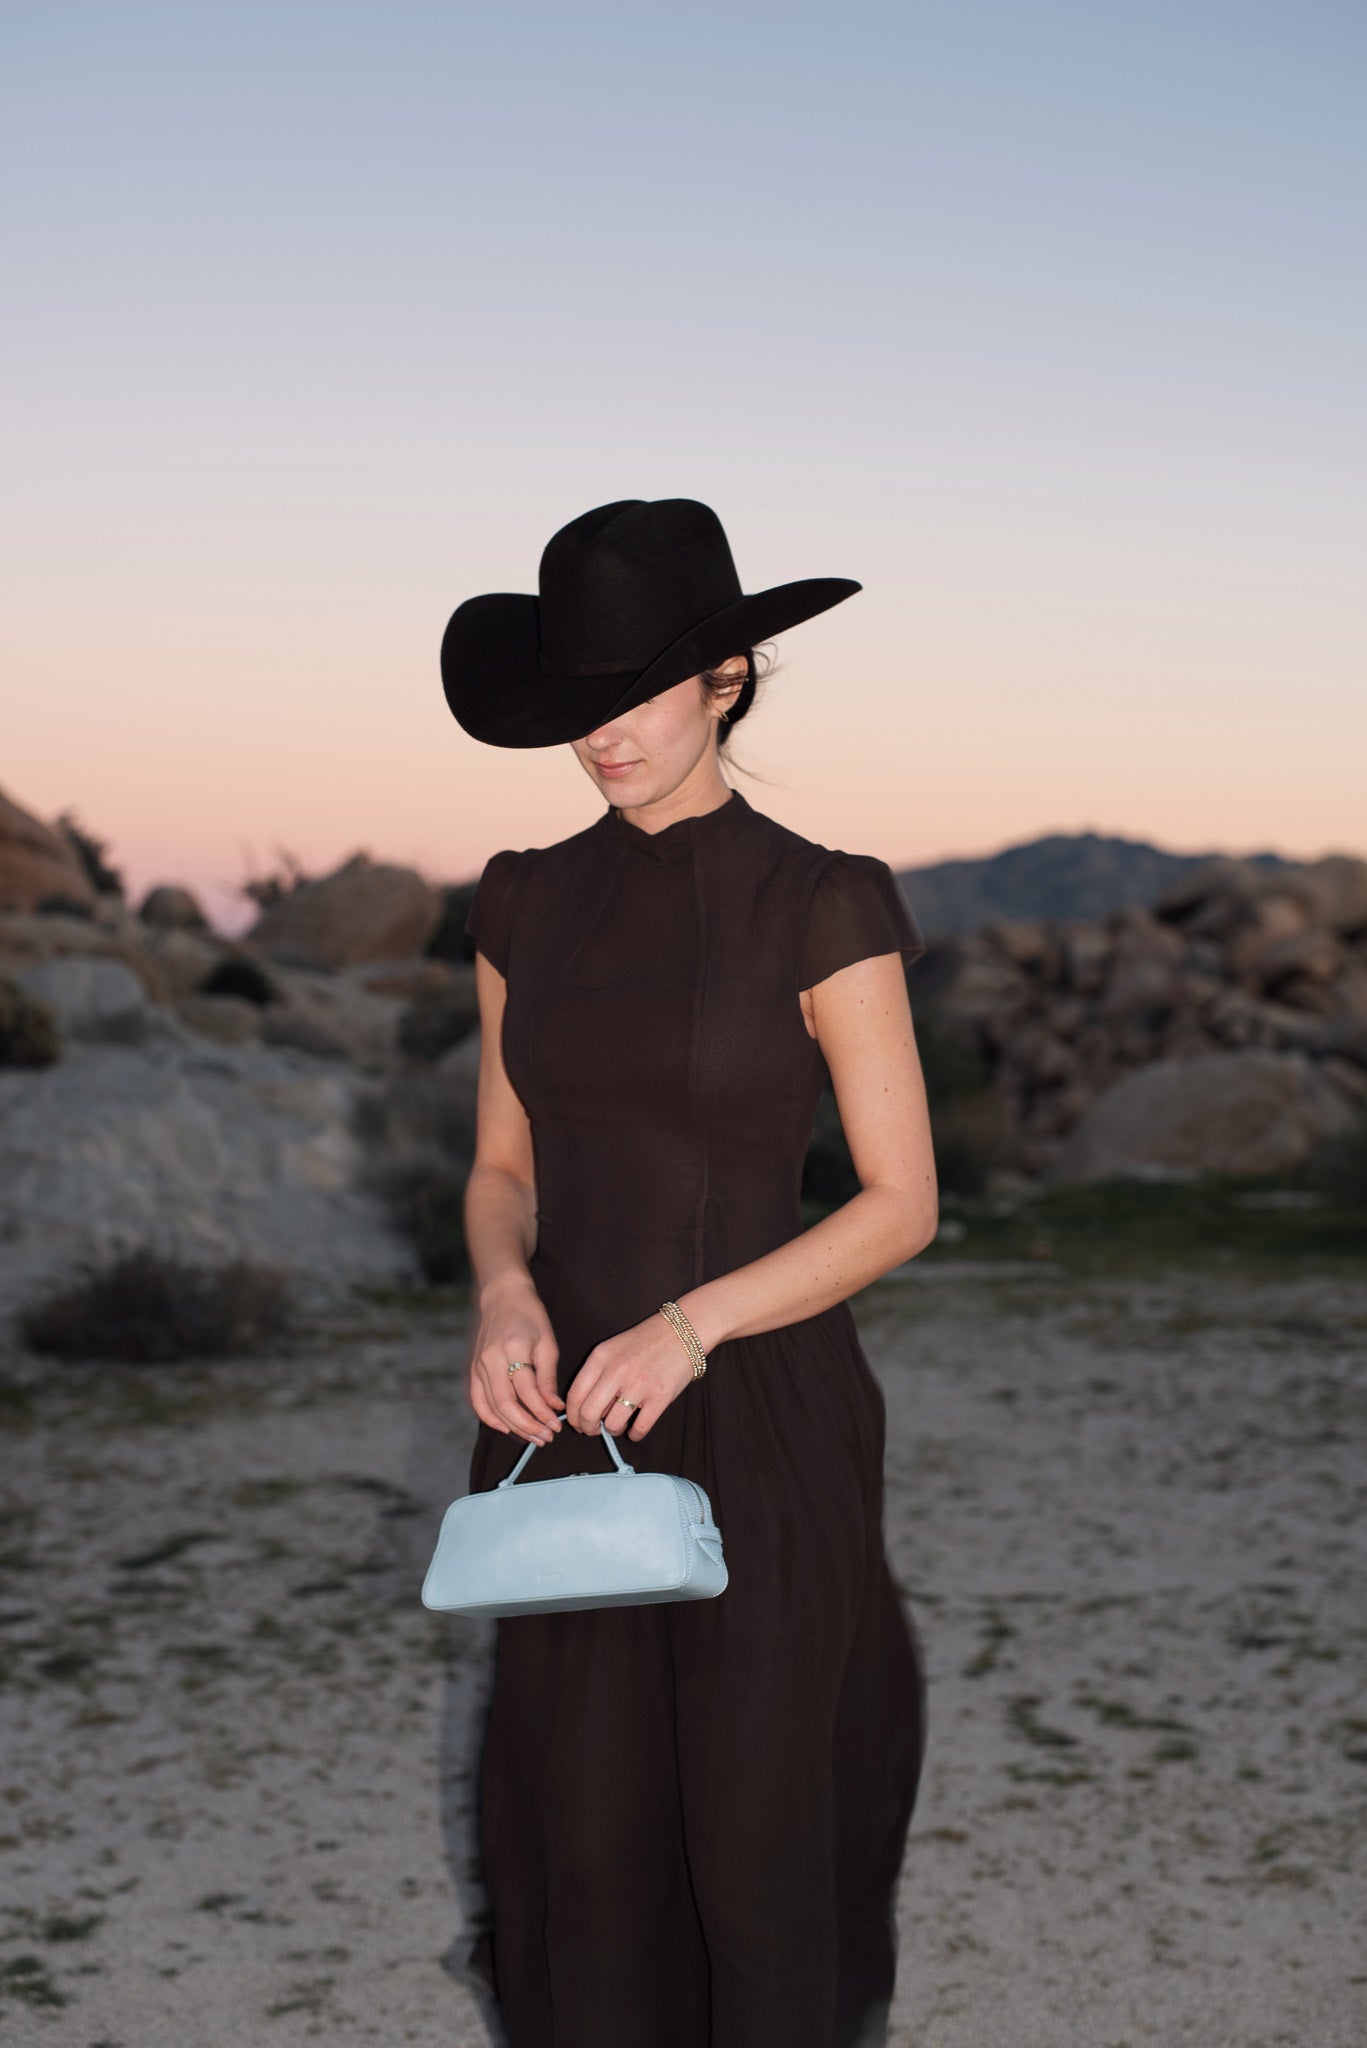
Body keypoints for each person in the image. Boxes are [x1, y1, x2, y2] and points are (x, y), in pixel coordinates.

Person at [440, 498, 938, 2048]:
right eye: (575, 701)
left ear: (726, 675)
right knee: (583, 1839)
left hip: (759, 1400)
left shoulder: (823, 897)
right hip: (563, 1410)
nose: (599, 734)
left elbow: (901, 1201)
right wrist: (502, 1291)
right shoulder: (521, 896)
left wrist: (691, 1324)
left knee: (753, 1838)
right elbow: (501, 1170)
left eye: (635, 691)